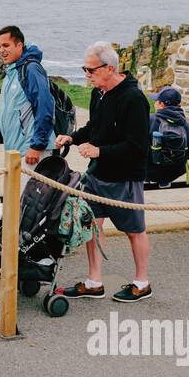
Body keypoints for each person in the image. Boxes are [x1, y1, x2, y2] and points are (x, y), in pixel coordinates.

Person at [56, 42, 153, 302]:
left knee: (135, 230)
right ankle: (94, 281)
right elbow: (94, 128)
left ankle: (142, 283)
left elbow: (137, 147)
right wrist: (72, 138)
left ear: (110, 68)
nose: (87, 75)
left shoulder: (134, 99)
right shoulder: (99, 92)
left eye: (91, 70)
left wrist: (100, 151)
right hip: (97, 175)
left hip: (125, 177)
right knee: (92, 227)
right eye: (84, 70)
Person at [0, 25, 55, 175]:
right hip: (16, 151)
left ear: (19, 45)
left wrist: (36, 146)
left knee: (27, 198)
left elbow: (45, 108)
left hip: (31, 151)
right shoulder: (11, 72)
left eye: (6, 45)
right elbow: (9, 108)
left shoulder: (31, 69)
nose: (2, 50)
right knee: (15, 198)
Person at [146, 86, 189, 187]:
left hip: (151, 173)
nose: (155, 103)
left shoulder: (150, 120)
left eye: (156, 101)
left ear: (161, 104)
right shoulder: (186, 125)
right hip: (175, 172)